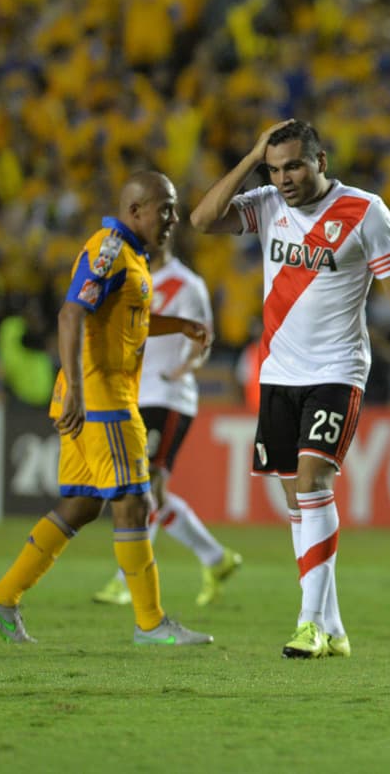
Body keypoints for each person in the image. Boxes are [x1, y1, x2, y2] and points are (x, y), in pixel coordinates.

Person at [190, 120, 390, 659]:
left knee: (312, 483)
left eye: (294, 165)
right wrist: (253, 153)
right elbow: (202, 219)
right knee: (295, 500)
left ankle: (309, 624)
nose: (284, 179)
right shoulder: (266, 203)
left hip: (337, 370)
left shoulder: (366, 212)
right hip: (278, 373)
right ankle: (334, 625)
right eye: (274, 169)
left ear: (322, 161)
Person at [0, 171, 213, 645]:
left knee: (83, 505)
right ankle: (150, 622)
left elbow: (125, 320)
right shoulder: (109, 251)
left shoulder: (132, 257)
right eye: (164, 208)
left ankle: (2, 599)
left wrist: (179, 325)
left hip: (98, 393)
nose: (174, 217)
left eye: (174, 207)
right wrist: (81, 392)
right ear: (135, 211)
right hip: (103, 398)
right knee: (133, 500)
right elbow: (71, 314)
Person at [92, 233, 244, 608]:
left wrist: (184, 367)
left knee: (147, 486)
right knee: (147, 489)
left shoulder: (187, 284)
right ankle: (216, 558)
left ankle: (127, 578)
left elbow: (202, 337)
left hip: (167, 396)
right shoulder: (131, 279)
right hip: (134, 395)